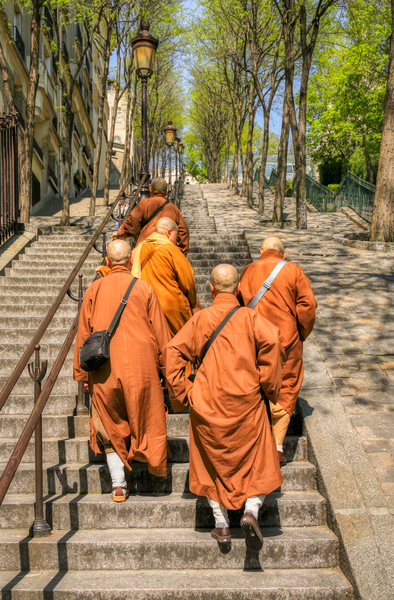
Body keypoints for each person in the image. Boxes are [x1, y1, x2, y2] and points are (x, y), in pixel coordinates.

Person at [165, 264, 285, 550]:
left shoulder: (199, 319)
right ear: (239, 287)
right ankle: (250, 511)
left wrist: (186, 391)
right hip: (248, 402)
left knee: (210, 465)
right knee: (259, 460)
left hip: (207, 403)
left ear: (211, 288)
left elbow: (172, 353)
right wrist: (268, 388)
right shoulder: (251, 317)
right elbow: (273, 342)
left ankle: (221, 525)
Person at [73, 239, 171, 503]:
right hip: (143, 367)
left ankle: (118, 485)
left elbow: (83, 333)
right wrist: (167, 373)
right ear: (130, 261)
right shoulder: (145, 288)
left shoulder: (94, 289)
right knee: (147, 415)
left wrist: (83, 374)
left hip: (104, 367)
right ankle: (150, 465)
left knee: (108, 423)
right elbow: (162, 336)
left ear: (107, 262)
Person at [239, 236, 317, 465]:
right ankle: (277, 447)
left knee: (255, 385)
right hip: (287, 340)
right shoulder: (293, 270)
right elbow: (308, 305)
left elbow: (240, 303)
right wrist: (301, 332)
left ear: (261, 250)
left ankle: (253, 443)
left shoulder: (247, 270)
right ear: (283, 254)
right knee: (287, 386)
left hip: (255, 340)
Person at [112, 177, 189, 255]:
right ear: (166, 192)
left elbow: (132, 225)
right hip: (166, 252)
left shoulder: (144, 204)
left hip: (145, 252)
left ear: (150, 190)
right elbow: (184, 232)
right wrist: (179, 253)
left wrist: (119, 232)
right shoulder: (174, 209)